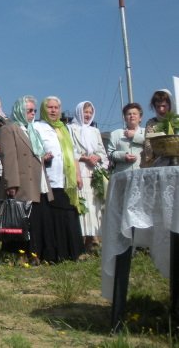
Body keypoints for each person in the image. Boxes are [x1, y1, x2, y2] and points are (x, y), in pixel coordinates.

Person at [0, 96, 55, 264]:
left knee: (35, 220)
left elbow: (34, 154)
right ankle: (18, 255)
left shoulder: (33, 131)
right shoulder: (9, 129)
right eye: (29, 110)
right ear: (20, 111)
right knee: (20, 220)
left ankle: (34, 253)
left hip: (37, 180)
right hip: (22, 181)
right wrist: (11, 183)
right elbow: (8, 157)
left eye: (34, 110)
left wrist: (45, 158)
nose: (33, 113)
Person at [33, 96, 84, 262]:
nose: (53, 110)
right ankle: (55, 254)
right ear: (44, 109)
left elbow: (73, 154)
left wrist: (77, 175)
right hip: (49, 178)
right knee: (53, 217)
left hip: (67, 179)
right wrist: (43, 157)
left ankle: (73, 252)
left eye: (56, 107)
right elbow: (33, 150)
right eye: (50, 107)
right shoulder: (37, 127)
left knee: (69, 215)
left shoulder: (64, 128)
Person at [68, 101, 108, 254]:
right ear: (79, 112)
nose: (88, 115)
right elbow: (69, 150)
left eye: (90, 112)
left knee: (95, 205)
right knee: (83, 205)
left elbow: (102, 151)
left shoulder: (95, 131)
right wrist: (84, 158)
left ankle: (93, 240)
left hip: (94, 172)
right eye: (85, 112)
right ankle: (81, 239)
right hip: (80, 170)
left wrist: (97, 157)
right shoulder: (71, 128)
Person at [108, 103, 145, 173]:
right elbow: (110, 154)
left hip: (142, 173)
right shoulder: (115, 133)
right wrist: (123, 156)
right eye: (129, 114)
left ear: (140, 118)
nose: (132, 116)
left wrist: (135, 136)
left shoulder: (146, 132)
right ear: (125, 118)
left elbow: (151, 144)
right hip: (122, 174)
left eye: (134, 114)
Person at [144, 89, 177, 167]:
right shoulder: (151, 123)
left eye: (164, 106)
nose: (161, 109)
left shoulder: (177, 121)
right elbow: (148, 145)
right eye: (158, 106)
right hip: (159, 163)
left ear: (170, 105)